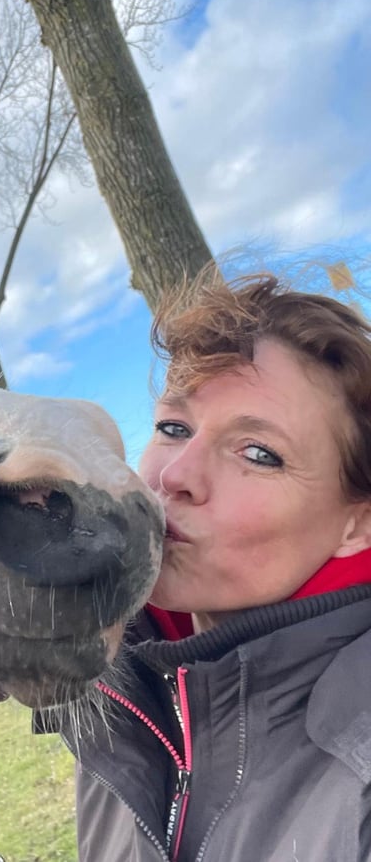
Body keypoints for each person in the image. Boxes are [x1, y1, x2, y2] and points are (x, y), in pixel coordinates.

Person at [64, 272, 371, 862]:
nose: (175, 474)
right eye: (173, 428)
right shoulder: (116, 701)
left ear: (358, 525)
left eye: (259, 454)